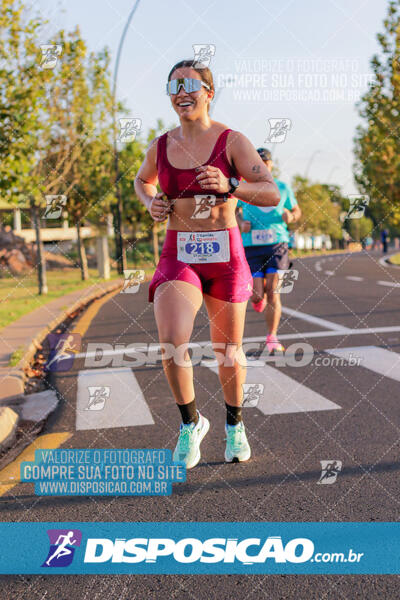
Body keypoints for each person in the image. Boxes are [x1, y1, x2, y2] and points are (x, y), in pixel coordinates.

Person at [134, 60, 280, 469]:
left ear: (209, 93)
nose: (182, 92)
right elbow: (141, 181)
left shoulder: (232, 141)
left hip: (225, 254)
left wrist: (233, 185)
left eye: (190, 85)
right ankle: (190, 422)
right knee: (172, 341)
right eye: (174, 86)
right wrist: (153, 203)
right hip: (178, 253)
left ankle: (235, 425)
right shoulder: (160, 146)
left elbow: (270, 193)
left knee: (228, 351)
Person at [236, 148, 301, 354]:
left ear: (271, 164)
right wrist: (239, 222)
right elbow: (232, 209)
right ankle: (258, 298)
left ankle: (272, 336)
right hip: (252, 245)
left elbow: (296, 210)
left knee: (274, 291)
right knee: (256, 295)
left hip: (277, 243)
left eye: (266, 161)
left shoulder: (282, 187)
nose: (263, 165)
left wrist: (291, 216)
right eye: (259, 161)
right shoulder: (244, 188)